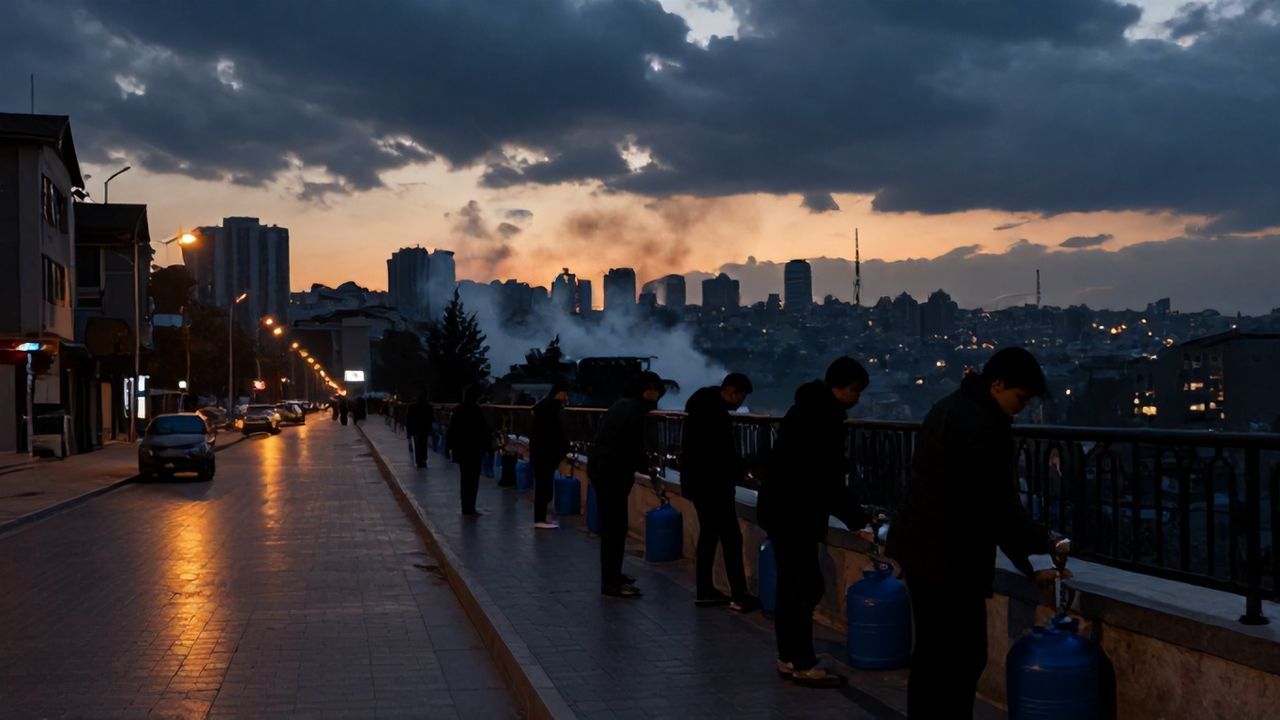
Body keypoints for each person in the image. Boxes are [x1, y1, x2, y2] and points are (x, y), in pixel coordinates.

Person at [887, 347, 1059, 718]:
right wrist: (1037, 555)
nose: (1021, 408)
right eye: (1020, 398)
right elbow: (995, 504)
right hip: (949, 557)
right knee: (962, 660)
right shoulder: (982, 425)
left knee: (932, 656)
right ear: (997, 384)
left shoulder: (949, 408)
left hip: (922, 548)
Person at [757, 357, 871, 688]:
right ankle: (802, 661)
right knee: (805, 586)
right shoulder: (825, 417)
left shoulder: (805, 408)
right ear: (837, 387)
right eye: (854, 391)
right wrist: (856, 520)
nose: (857, 398)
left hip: (781, 508)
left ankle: (789, 656)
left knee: (792, 585)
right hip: (795, 512)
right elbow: (828, 477)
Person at [681, 372, 760, 612]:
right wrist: (744, 470)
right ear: (730, 391)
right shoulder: (714, 414)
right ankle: (738, 594)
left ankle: (705, 590)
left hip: (698, 483)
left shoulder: (700, 407)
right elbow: (721, 453)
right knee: (731, 538)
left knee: (709, 536)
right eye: (741, 396)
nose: (740, 402)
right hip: (713, 485)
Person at [588, 371, 665, 598]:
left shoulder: (623, 405)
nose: (658, 394)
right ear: (646, 389)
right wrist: (648, 469)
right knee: (615, 529)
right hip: (612, 474)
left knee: (613, 528)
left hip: (605, 472)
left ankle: (613, 575)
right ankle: (611, 583)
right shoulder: (634, 410)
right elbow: (633, 446)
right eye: (656, 389)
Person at [446, 385, 492, 516]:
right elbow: (483, 430)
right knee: (473, 480)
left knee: (464, 479)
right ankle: (470, 507)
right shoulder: (476, 410)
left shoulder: (458, 409)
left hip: (461, 450)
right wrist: (489, 447)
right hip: (474, 450)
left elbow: (452, 429)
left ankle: (465, 507)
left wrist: (448, 447)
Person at [531, 383, 570, 529]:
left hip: (540, 452)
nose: (565, 397)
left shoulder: (542, 407)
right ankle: (540, 519)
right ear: (558, 393)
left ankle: (541, 518)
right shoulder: (552, 410)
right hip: (545, 454)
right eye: (564, 393)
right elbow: (556, 433)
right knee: (543, 487)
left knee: (543, 486)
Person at [405, 392, 434, 469]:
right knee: (424, 444)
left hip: (416, 429)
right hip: (424, 428)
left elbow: (409, 419)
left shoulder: (412, 407)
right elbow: (431, 419)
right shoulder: (428, 407)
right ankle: (424, 459)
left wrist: (409, 429)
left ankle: (419, 460)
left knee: (417, 445)